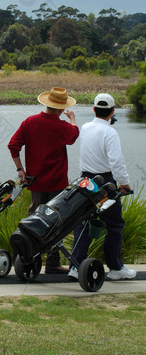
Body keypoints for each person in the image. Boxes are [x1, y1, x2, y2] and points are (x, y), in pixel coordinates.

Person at [8, 86, 79, 274]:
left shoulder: (29, 122)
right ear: (60, 109)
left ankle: (28, 257)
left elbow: (13, 146)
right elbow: (73, 136)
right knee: (56, 222)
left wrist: (20, 169)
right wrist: (72, 119)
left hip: (35, 183)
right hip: (57, 184)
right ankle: (53, 262)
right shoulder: (62, 126)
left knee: (34, 219)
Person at [69, 93, 137, 281]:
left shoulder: (85, 127)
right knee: (114, 224)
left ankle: (75, 266)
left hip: (85, 181)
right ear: (113, 111)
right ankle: (115, 268)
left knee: (83, 222)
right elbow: (116, 162)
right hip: (105, 183)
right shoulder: (110, 132)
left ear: (94, 109)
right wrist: (124, 183)